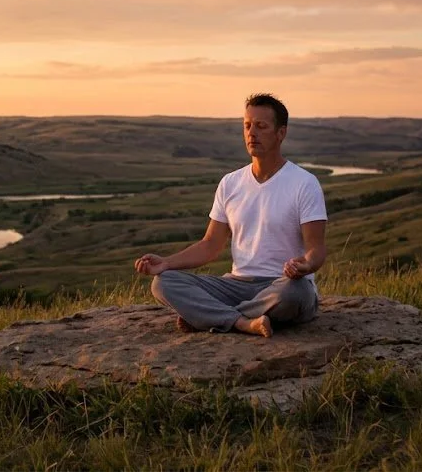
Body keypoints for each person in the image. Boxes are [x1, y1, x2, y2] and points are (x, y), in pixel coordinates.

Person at [134, 93, 327, 338]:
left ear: (281, 133)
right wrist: (167, 263)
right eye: (247, 125)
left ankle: (210, 316)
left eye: (261, 126)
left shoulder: (304, 183)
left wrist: (306, 265)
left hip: (282, 285)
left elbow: (316, 249)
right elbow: (210, 245)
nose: (251, 133)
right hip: (236, 284)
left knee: (297, 293)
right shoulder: (231, 183)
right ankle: (243, 322)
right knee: (164, 283)